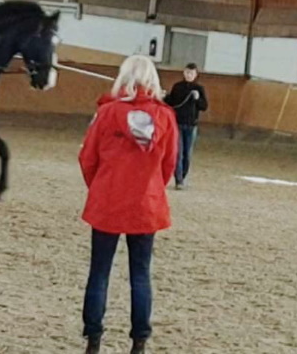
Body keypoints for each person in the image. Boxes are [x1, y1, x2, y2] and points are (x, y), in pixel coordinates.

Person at [78, 55, 178, 354]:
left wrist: (100, 187)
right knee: (140, 274)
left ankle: (93, 339)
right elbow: (169, 163)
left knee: (99, 272)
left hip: (108, 201)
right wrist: (152, 188)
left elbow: (88, 157)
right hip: (145, 205)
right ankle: (139, 341)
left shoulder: (107, 113)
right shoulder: (165, 117)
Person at [165, 63, 208, 189]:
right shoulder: (177, 87)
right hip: (178, 123)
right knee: (178, 152)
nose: (189, 75)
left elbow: (204, 106)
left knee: (187, 154)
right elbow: (171, 102)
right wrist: (164, 96)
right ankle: (178, 180)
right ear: (184, 73)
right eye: (187, 72)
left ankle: (183, 176)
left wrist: (198, 99)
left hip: (191, 125)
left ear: (196, 75)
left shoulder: (199, 89)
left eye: (191, 73)